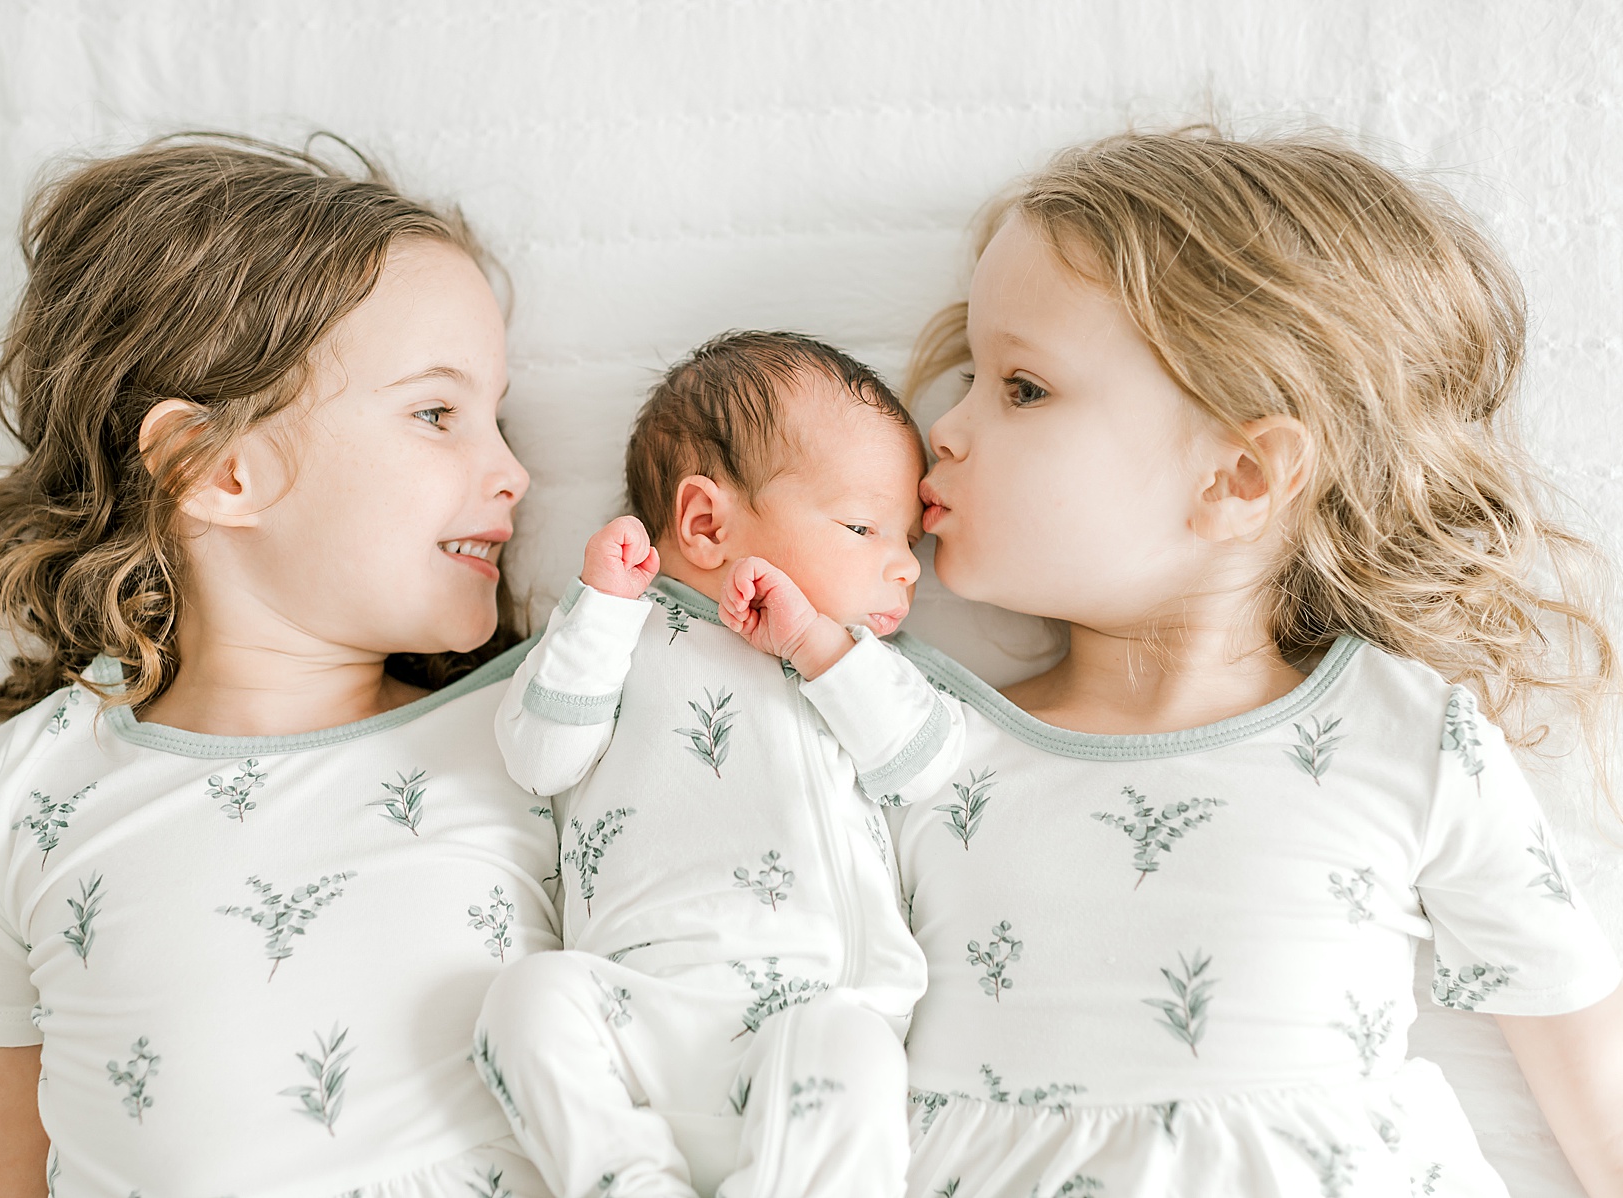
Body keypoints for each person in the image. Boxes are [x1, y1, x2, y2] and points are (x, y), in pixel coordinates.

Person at [892, 129, 1623, 1197]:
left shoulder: (1407, 733)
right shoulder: (904, 736)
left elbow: (1584, 1053)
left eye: (1022, 387)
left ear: (1238, 475)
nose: (941, 429)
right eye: (968, 375)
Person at [0, 134, 557, 1198]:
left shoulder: (545, 732)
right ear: (214, 466)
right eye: (437, 413)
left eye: (497, 416)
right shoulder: (17, 800)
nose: (513, 470)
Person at [475, 331, 963, 1198]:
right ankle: (624, 1180)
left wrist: (816, 645)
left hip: (808, 1017)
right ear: (706, 524)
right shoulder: (611, 635)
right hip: (633, 1012)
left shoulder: (847, 664)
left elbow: (922, 764)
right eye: (862, 528)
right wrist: (598, 611)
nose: (904, 568)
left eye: (909, 546)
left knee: (856, 1056)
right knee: (526, 1001)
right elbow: (539, 758)